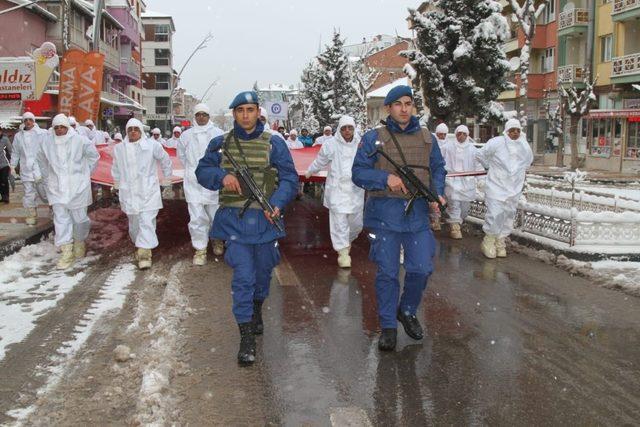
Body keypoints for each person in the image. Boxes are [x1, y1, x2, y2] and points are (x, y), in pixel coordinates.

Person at [195, 91, 298, 366]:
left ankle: (256, 308)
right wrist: (222, 175)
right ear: (234, 114)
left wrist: (277, 202)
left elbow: (289, 178)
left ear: (257, 112)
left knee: (262, 273)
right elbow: (202, 172)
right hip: (234, 223)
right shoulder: (221, 144)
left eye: (250, 110)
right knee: (244, 276)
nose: (245, 115)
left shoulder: (274, 144)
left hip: (265, 222)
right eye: (240, 110)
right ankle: (246, 336)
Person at [352, 85, 446, 352]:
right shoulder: (374, 139)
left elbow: (438, 169)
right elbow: (358, 173)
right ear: (388, 108)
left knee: (421, 268)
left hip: (416, 214)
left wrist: (437, 193)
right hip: (383, 215)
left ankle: (406, 310)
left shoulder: (428, 139)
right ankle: (388, 327)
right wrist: (385, 178)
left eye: (408, 103)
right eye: (398, 104)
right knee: (387, 273)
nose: (404, 108)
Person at [37, 114, 100, 269]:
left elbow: (94, 157)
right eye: (56, 127)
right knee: (60, 220)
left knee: (80, 219)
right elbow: (41, 161)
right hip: (56, 188)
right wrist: (46, 178)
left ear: (67, 127)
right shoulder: (46, 143)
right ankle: (66, 252)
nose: (59, 130)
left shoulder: (80, 141)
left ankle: (79, 241)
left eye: (62, 127)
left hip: (77, 187)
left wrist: (85, 175)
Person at [112, 118, 173, 269]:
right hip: (129, 192)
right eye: (130, 129)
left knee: (146, 221)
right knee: (134, 224)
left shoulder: (152, 145)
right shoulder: (120, 149)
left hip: (148, 191)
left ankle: (145, 254)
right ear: (126, 132)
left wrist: (167, 177)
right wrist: (117, 182)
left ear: (141, 131)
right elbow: (116, 167)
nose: (133, 132)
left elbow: (165, 159)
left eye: (136, 129)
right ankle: (138, 244)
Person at [305, 115, 364, 268]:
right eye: (344, 128)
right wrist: (310, 171)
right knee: (339, 223)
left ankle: (346, 242)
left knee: (356, 224)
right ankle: (343, 253)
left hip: (355, 190)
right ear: (339, 129)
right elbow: (320, 161)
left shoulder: (361, 144)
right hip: (337, 190)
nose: (347, 131)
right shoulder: (330, 145)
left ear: (353, 128)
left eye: (350, 128)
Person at [476, 118, 533, 258]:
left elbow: (528, 162)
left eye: (518, 130)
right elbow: (480, 154)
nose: (515, 133)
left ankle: (500, 240)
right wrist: (488, 166)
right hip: (496, 186)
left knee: (508, 215)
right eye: (512, 130)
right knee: (495, 213)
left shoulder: (524, 146)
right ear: (506, 131)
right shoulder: (496, 143)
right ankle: (488, 241)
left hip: (514, 189)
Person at [178, 103, 224, 265]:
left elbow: (224, 156)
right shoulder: (186, 135)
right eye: (198, 114)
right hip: (193, 183)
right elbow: (182, 155)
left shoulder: (218, 134)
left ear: (209, 116)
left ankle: (217, 239)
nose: (201, 117)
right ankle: (200, 248)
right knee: (197, 217)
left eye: (204, 114)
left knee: (215, 214)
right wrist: (193, 171)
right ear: (195, 117)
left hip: (213, 181)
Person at [442, 125, 484, 240]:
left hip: (467, 183)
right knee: (454, 204)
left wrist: (481, 180)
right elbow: (440, 161)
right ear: (455, 135)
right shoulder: (448, 147)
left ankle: (456, 221)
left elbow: (478, 166)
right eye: (459, 133)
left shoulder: (473, 150)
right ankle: (455, 227)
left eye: (464, 134)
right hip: (452, 181)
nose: (461, 136)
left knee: (464, 209)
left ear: (467, 135)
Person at [10, 112, 47, 225]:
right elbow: (15, 152)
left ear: (34, 121)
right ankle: (31, 214)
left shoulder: (42, 134)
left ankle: (53, 208)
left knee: (44, 192)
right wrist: (12, 165)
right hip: (26, 169)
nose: (28, 122)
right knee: (28, 192)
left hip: (40, 169)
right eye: (25, 120)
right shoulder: (18, 136)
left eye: (30, 119)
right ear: (23, 122)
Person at [430, 122, 450, 231]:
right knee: (434, 196)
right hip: (433, 176)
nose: (442, 137)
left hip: (445, 177)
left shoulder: (450, 146)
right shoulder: (431, 144)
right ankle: (435, 219)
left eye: (444, 134)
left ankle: (439, 218)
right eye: (440, 134)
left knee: (441, 198)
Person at [0, 131, 12, 203]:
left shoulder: (5, 139)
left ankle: (6, 197)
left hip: (4, 163)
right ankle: (2, 196)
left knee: (3, 180)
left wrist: (13, 162)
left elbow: (10, 150)